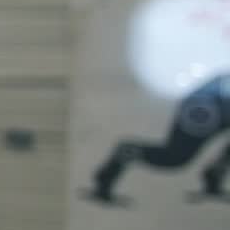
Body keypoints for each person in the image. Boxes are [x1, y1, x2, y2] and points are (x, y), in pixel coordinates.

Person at [88, 72, 230, 203]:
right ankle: (118, 162)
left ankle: (214, 177)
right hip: (209, 107)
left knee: (176, 156)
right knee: (174, 157)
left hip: (215, 103)